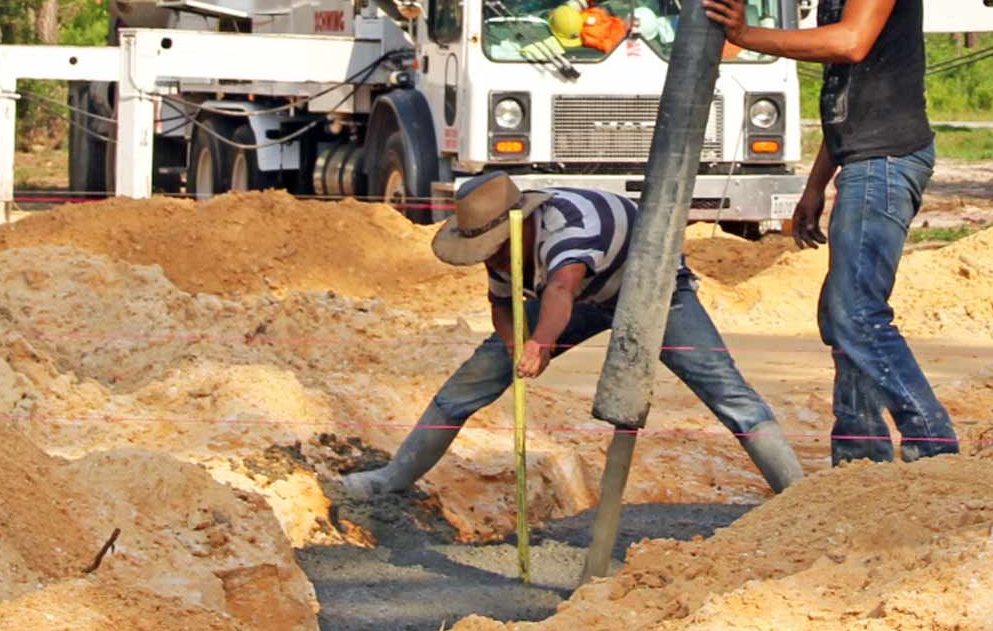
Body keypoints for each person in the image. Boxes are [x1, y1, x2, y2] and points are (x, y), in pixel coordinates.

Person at [704, 0, 957, 466]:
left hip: (886, 159)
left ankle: (933, 443)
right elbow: (846, 93)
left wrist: (746, 37)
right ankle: (859, 458)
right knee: (843, 313)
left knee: (855, 313)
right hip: (862, 158)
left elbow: (850, 42)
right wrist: (818, 182)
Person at [340, 171, 804, 497]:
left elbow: (561, 290)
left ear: (518, 227)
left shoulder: (569, 233)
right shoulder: (505, 249)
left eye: (494, 250)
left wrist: (539, 346)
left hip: (651, 286)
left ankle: (797, 491)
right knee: (473, 379)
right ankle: (393, 478)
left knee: (723, 387)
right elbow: (501, 303)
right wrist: (512, 346)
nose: (491, 260)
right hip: (584, 296)